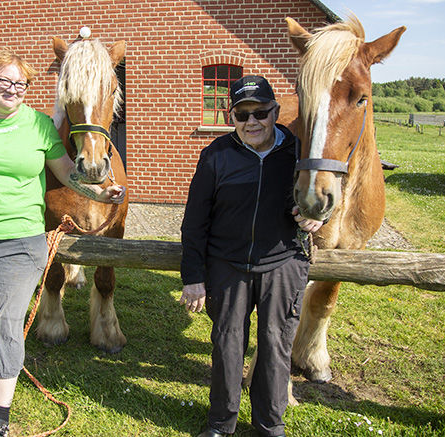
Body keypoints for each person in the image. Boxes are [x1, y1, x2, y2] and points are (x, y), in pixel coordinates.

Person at [0, 49, 126, 437]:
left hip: (19, 240)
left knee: (5, 326)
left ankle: (0, 418)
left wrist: (100, 191)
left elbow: (65, 173)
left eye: (20, 83)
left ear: (29, 87)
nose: (11, 89)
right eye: (2, 81)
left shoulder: (40, 126)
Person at [179, 75, 322, 437]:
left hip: (283, 263)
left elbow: (325, 194)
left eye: (260, 112)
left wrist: (318, 215)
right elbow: (194, 222)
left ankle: (270, 426)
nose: (252, 122)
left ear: (276, 111)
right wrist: (193, 276)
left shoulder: (300, 152)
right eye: (242, 115)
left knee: (276, 346)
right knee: (227, 345)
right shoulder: (215, 156)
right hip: (228, 266)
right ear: (232, 117)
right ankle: (220, 424)